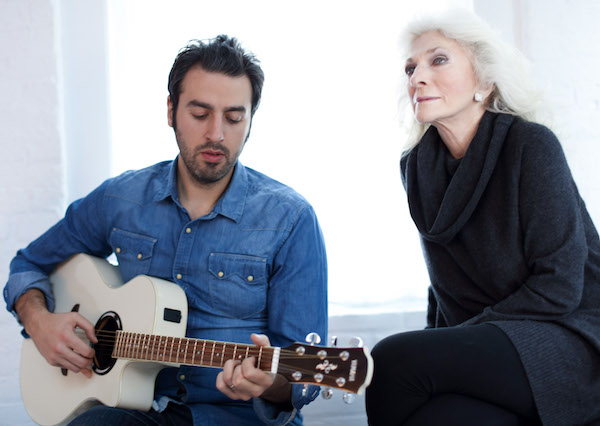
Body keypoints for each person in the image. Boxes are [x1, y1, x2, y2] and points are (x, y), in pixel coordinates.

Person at [4, 35, 327, 426]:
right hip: (139, 408)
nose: (216, 135)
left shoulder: (291, 219)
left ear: (250, 121)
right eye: (200, 113)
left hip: (237, 417)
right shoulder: (121, 199)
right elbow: (28, 265)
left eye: (234, 117)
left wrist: (268, 383)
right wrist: (39, 322)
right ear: (171, 110)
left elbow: (305, 378)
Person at [365, 9, 600, 426]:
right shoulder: (417, 167)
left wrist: (457, 341)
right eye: (411, 67)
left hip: (564, 338)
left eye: (438, 60)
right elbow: (443, 287)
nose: (417, 76)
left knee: (388, 359)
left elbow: (560, 285)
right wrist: (445, 342)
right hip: (490, 346)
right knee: (429, 416)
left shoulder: (531, 145)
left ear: (485, 81)